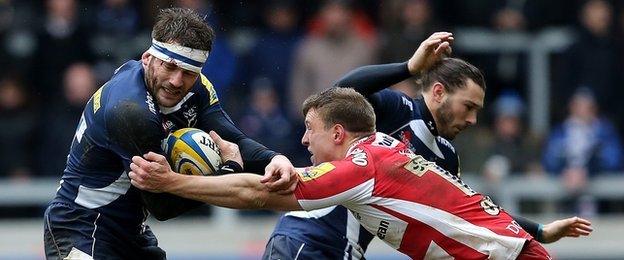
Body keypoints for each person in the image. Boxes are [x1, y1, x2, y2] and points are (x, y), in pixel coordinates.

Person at [129, 87, 591, 259]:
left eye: (309, 131)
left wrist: (173, 183)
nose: (304, 143)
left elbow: (260, 195)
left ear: (337, 132)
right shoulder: (387, 152)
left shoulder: (362, 165)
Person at [264, 32, 591, 259]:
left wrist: (541, 231)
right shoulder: (395, 108)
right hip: (310, 238)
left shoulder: (446, 156)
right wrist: (408, 68)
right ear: (437, 93)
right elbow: (338, 94)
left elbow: (471, 215)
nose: (473, 120)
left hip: (348, 249)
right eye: (468, 107)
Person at [43, 8, 296, 259]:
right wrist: (229, 170)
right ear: (147, 58)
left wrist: (274, 158)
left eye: (188, 73)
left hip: (130, 230)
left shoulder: (198, 87)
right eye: (170, 67)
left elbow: (229, 137)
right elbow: (163, 206)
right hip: (82, 227)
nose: (177, 81)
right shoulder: (131, 111)